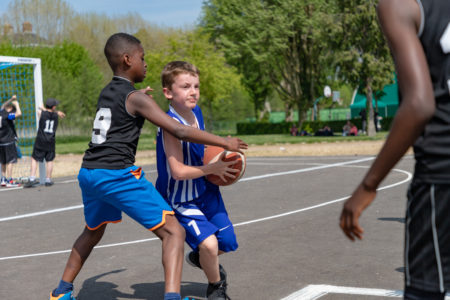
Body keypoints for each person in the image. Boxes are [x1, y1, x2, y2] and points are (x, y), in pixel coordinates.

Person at [49, 33, 247, 300]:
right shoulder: (135, 98)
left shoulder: (109, 91)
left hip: (88, 173)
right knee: (173, 231)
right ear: (127, 59)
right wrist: (224, 141)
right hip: (116, 174)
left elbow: (122, 111)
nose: (146, 64)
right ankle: (173, 297)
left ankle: (61, 291)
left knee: (93, 231)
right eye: (142, 58)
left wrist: (138, 97)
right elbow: (179, 130)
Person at [340, 1, 450, 299]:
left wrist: (368, 185)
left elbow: (419, 104)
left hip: (441, 178)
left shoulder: (400, 5)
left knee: (426, 292)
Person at [155, 61, 238, 300]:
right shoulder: (169, 126)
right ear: (168, 93)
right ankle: (216, 288)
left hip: (206, 191)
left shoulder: (197, 112)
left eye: (196, 86)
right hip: (182, 198)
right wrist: (212, 167)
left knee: (227, 242)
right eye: (186, 86)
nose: (193, 91)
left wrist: (222, 154)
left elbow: (203, 149)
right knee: (210, 245)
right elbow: (178, 171)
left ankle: (199, 257)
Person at [24, 98, 65, 188]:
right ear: (53, 107)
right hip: (50, 141)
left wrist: (42, 108)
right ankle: (48, 179)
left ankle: (32, 178)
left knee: (35, 159)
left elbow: (43, 111)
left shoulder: (41, 113)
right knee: (49, 161)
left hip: (40, 140)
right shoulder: (55, 115)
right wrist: (57, 112)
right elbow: (52, 112)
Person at [0, 94, 22, 188]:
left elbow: (4, 105)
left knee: (3, 161)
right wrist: (17, 105)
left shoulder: (1, 112)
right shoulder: (8, 116)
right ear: (9, 109)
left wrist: (10, 100)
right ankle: (10, 180)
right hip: (8, 141)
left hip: (0, 141)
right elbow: (19, 114)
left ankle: (3, 179)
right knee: (10, 161)